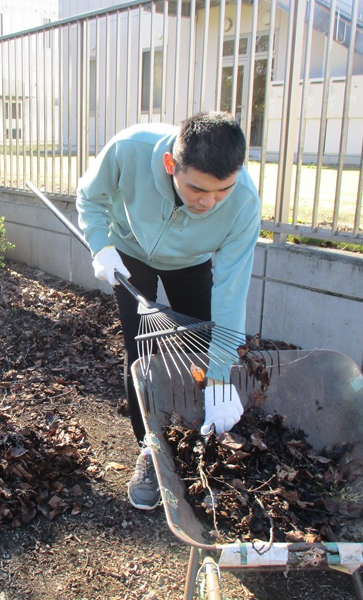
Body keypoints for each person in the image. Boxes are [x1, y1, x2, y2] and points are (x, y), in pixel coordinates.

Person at [75, 111, 261, 510]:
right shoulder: (130, 149)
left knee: (200, 346)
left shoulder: (244, 203)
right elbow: (90, 197)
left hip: (191, 260)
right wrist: (100, 243)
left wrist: (221, 375)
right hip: (129, 252)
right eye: (197, 189)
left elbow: (231, 293)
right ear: (170, 165)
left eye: (221, 191)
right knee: (141, 353)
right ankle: (151, 449)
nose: (208, 202)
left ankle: (198, 444)